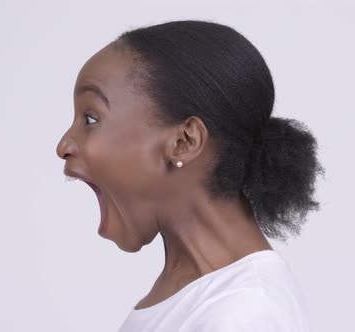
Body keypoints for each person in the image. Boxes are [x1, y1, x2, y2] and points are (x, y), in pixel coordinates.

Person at [56, 20, 323, 331]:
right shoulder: (189, 294)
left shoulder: (245, 313)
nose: (63, 146)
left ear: (184, 142)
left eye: (90, 118)